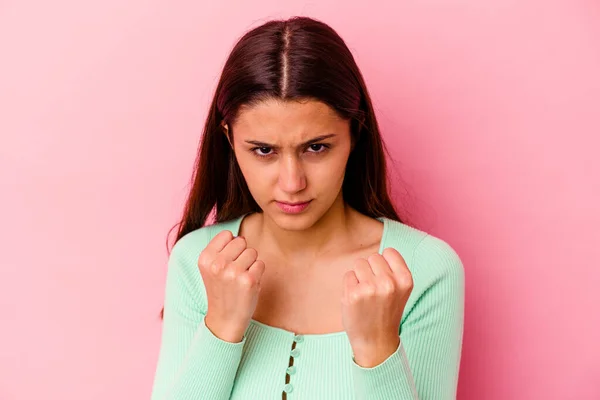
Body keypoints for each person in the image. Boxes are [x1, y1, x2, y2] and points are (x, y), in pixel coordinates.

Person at [150, 16, 464, 400]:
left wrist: (378, 352)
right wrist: (221, 329)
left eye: (316, 148)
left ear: (355, 132)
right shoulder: (199, 263)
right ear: (230, 140)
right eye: (263, 150)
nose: (292, 183)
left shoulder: (424, 270)